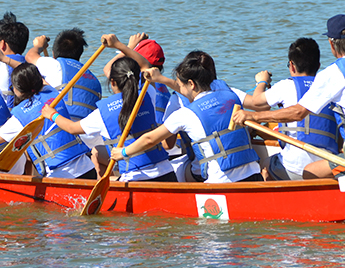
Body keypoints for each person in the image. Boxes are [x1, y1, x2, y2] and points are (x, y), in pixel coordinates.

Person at [232, 15, 345, 177]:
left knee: (310, 172)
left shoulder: (333, 73)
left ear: (331, 45)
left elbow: (298, 113)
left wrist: (253, 116)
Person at [111, 53, 262, 183]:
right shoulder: (231, 95)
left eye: (179, 85)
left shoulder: (185, 114)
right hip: (255, 175)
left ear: (191, 84)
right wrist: (161, 79)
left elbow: (150, 139)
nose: (179, 89)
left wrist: (123, 153)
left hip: (223, 183)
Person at [41, 55, 176, 182]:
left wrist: (52, 114)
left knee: (96, 152)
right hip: (167, 173)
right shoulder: (148, 93)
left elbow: (72, 128)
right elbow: (145, 64)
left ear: (112, 82)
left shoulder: (102, 113)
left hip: (136, 179)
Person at [0, 62, 96, 179]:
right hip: (89, 169)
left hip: (62, 176)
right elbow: (35, 77)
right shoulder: (53, 92)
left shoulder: (20, 115)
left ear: (17, 88)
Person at [244, 38, 339, 181]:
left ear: (291, 66)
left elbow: (256, 102)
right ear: (318, 65)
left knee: (263, 164)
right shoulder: (329, 87)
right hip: (325, 167)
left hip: (295, 168)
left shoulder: (286, 85)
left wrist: (262, 82)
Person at [25, 29, 102, 121]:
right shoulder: (94, 79)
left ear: (53, 53)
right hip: (85, 130)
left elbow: (29, 56)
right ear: (79, 55)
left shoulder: (54, 64)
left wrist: (39, 46)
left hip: (60, 122)